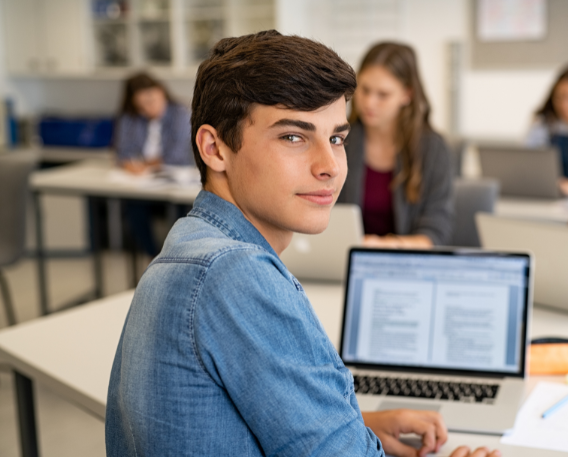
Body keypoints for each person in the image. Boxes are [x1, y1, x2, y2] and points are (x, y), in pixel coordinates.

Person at [106, 31, 500, 457]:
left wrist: (355, 425)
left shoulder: (190, 244)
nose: (329, 166)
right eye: (294, 137)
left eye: (337, 139)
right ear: (214, 148)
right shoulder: (237, 274)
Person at [337, 42, 453, 248]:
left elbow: (435, 231)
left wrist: (387, 246)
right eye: (364, 89)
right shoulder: (340, 139)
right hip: (342, 259)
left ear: (407, 94)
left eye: (383, 95)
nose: (369, 102)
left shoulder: (432, 149)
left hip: (404, 263)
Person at [114, 72, 194, 256]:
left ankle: (175, 258)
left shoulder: (180, 114)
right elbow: (122, 152)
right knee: (133, 209)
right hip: (143, 184)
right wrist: (129, 165)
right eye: (142, 105)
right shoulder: (131, 118)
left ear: (161, 93)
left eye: (152, 100)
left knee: (180, 213)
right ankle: (154, 258)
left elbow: (176, 155)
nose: (149, 108)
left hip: (174, 181)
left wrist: (145, 164)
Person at [525, 66, 568, 196]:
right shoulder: (543, 125)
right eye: (560, 97)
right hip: (550, 196)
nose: (564, 105)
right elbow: (527, 165)